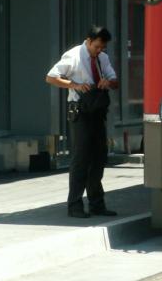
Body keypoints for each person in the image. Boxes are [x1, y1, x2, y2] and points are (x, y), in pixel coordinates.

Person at [46, 26, 119, 218]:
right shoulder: (73, 56)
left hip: (97, 109)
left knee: (99, 157)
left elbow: (115, 81)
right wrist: (74, 84)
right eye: (96, 46)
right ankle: (75, 205)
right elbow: (51, 77)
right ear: (88, 40)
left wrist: (108, 83)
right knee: (81, 158)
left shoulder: (103, 58)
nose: (99, 50)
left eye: (102, 47)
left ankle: (97, 204)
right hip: (80, 110)